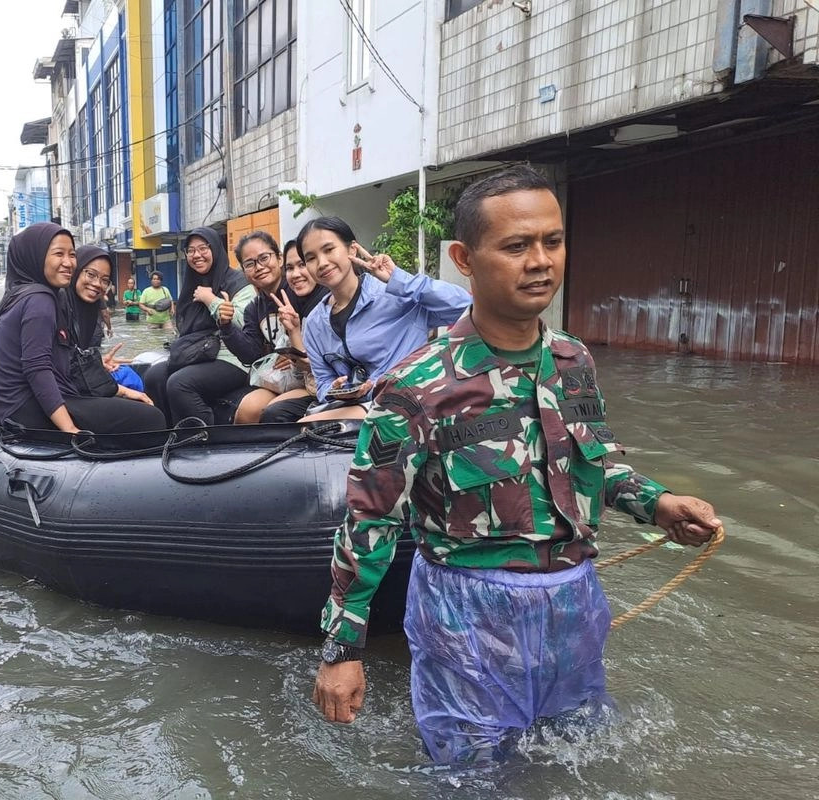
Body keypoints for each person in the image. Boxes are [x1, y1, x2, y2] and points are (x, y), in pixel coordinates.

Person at [310, 166, 723, 766]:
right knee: (471, 772)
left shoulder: (573, 359)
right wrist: (341, 649)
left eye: (552, 242)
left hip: (572, 607)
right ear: (465, 259)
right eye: (515, 246)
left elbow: (592, 462)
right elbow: (369, 519)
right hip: (465, 613)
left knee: (577, 754)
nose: (540, 261)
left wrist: (657, 503)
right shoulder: (417, 386)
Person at [0, 223, 164, 434]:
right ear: (36, 255)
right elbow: (37, 368)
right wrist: (70, 429)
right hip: (26, 408)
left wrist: (115, 384)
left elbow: (64, 363)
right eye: (58, 254)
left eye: (72, 255)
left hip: (19, 406)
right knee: (152, 419)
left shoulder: (27, 295)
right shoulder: (40, 300)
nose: (68, 262)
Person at [298, 216, 472, 422]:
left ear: (352, 249)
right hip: (354, 407)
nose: (322, 263)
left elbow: (463, 306)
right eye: (311, 258)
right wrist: (336, 390)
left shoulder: (395, 295)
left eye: (329, 250)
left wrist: (399, 280)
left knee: (309, 426)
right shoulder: (315, 323)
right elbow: (323, 383)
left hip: (405, 401)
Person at [142, 227, 256, 427]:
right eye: (191, 250)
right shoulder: (191, 284)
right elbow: (185, 328)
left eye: (203, 248)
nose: (197, 255)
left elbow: (244, 323)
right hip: (198, 354)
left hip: (233, 358)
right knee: (153, 376)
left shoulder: (239, 283)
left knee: (179, 383)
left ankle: (203, 442)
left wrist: (210, 299)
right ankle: (165, 436)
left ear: (216, 250)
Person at [219, 232, 328, 424]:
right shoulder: (254, 308)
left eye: (264, 258)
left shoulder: (301, 288)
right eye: (250, 264)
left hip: (313, 376)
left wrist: (293, 354)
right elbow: (250, 355)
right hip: (285, 378)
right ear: (244, 271)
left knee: (270, 412)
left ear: (278, 258)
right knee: (246, 411)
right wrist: (226, 327)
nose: (259, 267)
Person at [69, 245, 162, 413]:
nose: (97, 284)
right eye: (90, 274)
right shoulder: (57, 309)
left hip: (79, 386)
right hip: (70, 396)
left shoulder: (86, 312)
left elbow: (76, 360)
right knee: (149, 411)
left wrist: (99, 362)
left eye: (105, 280)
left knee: (127, 374)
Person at [259, 238, 330, 423]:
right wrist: (294, 334)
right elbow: (304, 371)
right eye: (290, 268)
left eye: (302, 265)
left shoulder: (329, 302)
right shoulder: (292, 304)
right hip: (311, 383)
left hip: (340, 389)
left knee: (273, 413)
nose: (295, 274)